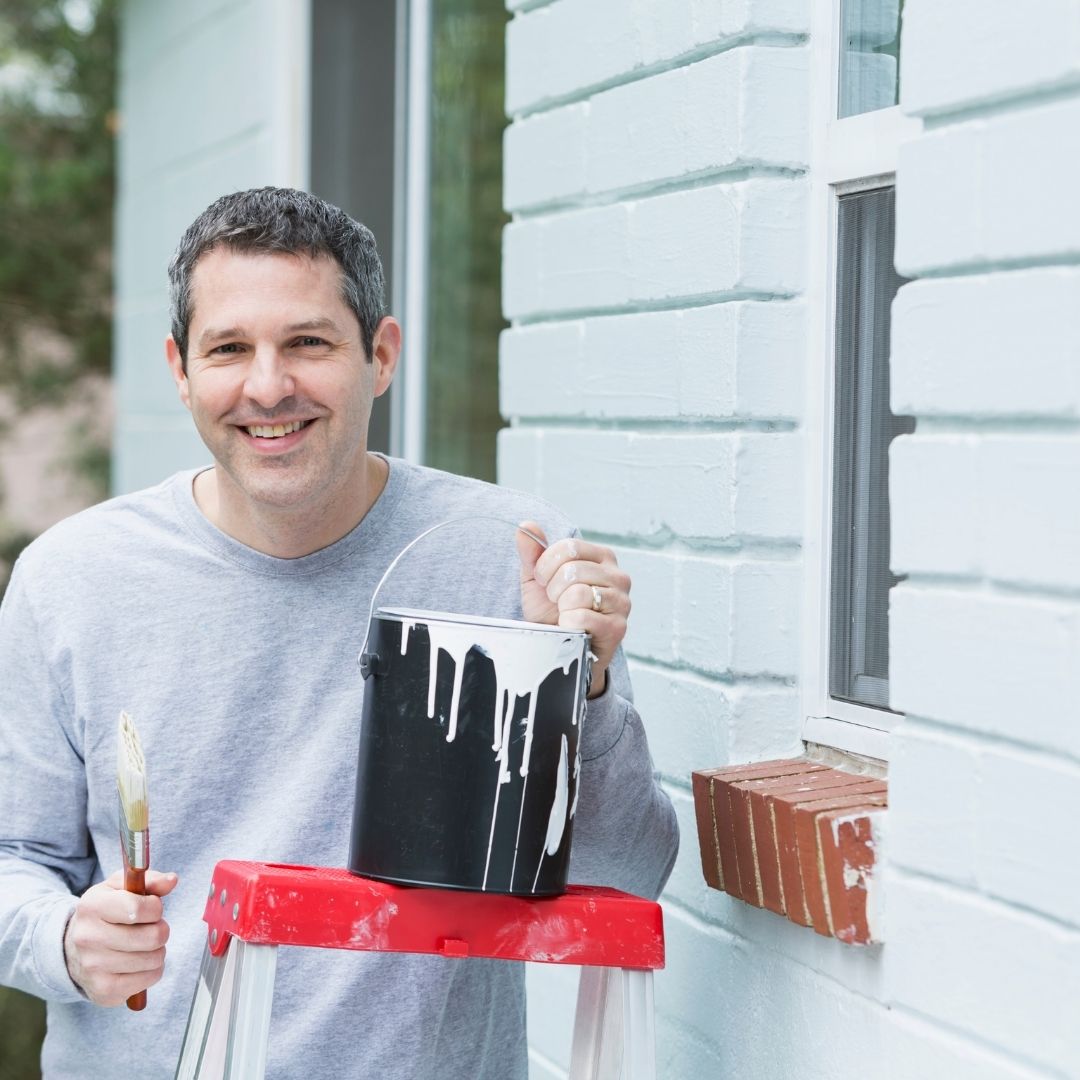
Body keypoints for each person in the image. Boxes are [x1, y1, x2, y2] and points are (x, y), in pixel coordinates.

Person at [0, 187, 677, 1078]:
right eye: (229, 349)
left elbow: (628, 873)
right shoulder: (71, 578)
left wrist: (579, 691)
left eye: (308, 343)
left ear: (381, 355)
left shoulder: (508, 557)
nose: (267, 386)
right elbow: (14, 859)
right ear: (180, 369)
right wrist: (62, 937)